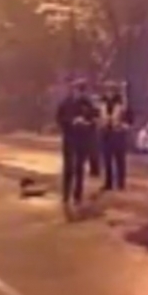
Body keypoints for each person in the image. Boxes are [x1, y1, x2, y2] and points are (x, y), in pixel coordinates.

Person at [56, 79, 98, 218]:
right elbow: (59, 119)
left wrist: (88, 123)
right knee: (69, 168)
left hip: (83, 140)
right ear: (73, 90)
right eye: (78, 89)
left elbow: (94, 118)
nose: (80, 92)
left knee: (80, 168)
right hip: (69, 139)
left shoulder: (87, 103)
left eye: (82, 89)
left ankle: (77, 196)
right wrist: (72, 122)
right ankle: (66, 195)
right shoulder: (66, 103)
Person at [99, 81, 132, 192]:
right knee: (107, 159)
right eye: (107, 90)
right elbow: (97, 115)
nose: (109, 92)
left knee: (119, 159)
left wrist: (125, 125)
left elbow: (129, 117)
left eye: (111, 90)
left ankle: (120, 183)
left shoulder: (122, 103)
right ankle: (108, 183)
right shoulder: (102, 102)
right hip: (106, 133)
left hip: (118, 133)